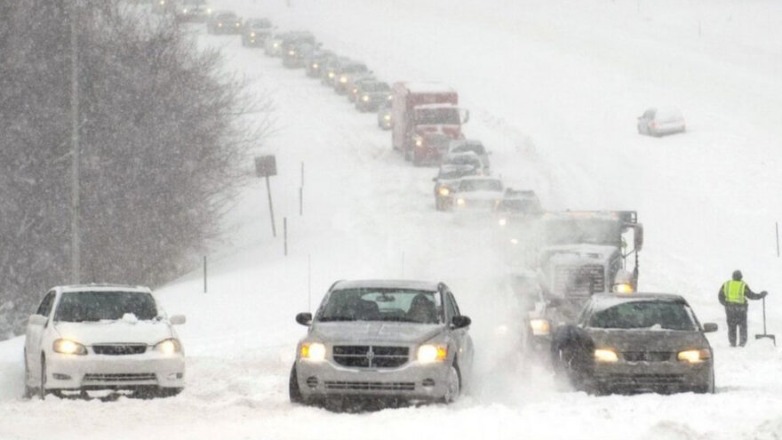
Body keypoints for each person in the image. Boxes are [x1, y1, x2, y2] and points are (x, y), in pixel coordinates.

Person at [718, 270, 767, 347]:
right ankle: (742, 343)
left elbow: (720, 296)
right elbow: (751, 295)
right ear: (741, 277)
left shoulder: (726, 284)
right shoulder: (742, 285)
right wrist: (761, 295)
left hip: (730, 309)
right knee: (742, 326)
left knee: (731, 327)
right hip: (741, 310)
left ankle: (732, 343)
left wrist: (725, 304)